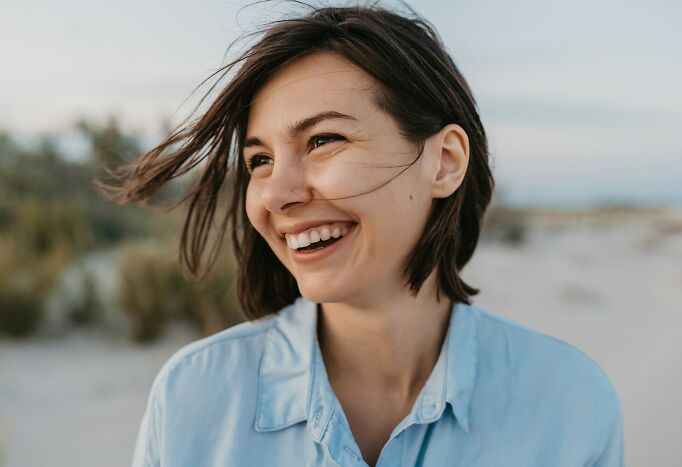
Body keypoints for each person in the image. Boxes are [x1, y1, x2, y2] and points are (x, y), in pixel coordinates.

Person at [99, 4, 625, 466]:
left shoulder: (570, 401)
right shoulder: (195, 394)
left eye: (324, 139)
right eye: (260, 160)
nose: (276, 193)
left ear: (444, 162)